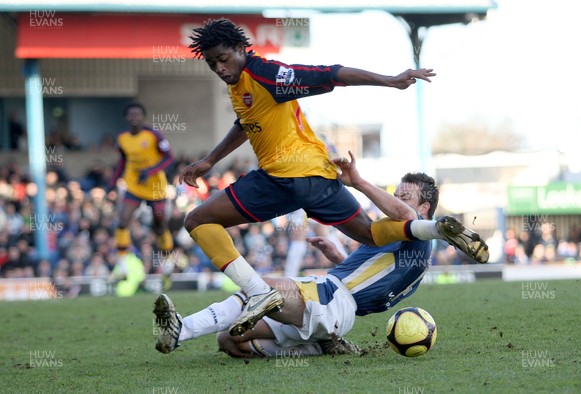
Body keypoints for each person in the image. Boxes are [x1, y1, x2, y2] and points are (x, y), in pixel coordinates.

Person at [178, 18, 486, 337]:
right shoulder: (239, 84)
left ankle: (256, 291)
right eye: (212, 63)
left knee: (198, 220)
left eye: (223, 59)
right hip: (319, 178)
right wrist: (209, 161)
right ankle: (435, 227)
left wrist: (389, 80)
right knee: (367, 233)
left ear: (241, 49)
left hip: (285, 175)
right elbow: (245, 122)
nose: (219, 68)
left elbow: (329, 74)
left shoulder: (265, 74)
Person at [154, 153, 488, 356]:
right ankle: (316, 347)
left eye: (405, 196)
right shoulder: (397, 244)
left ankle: (179, 331)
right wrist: (340, 255)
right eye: (396, 194)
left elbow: (408, 219)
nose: (396, 201)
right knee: (230, 340)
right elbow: (374, 283)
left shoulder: (416, 238)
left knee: (259, 290)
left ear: (424, 208)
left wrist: (357, 182)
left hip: (333, 300)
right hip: (330, 303)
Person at [108, 102, 174, 284]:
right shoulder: (122, 138)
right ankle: (121, 268)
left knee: (159, 226)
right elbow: (123, 161)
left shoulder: (154, 135)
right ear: (126, 118)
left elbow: (169, 158)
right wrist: (112, 182)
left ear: (143, 117)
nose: (134, 118)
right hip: (134, 185)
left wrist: (150, 170)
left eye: (138, 114)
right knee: (122, 221)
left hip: (155, 187)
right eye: (131, 115)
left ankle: (167, 263)